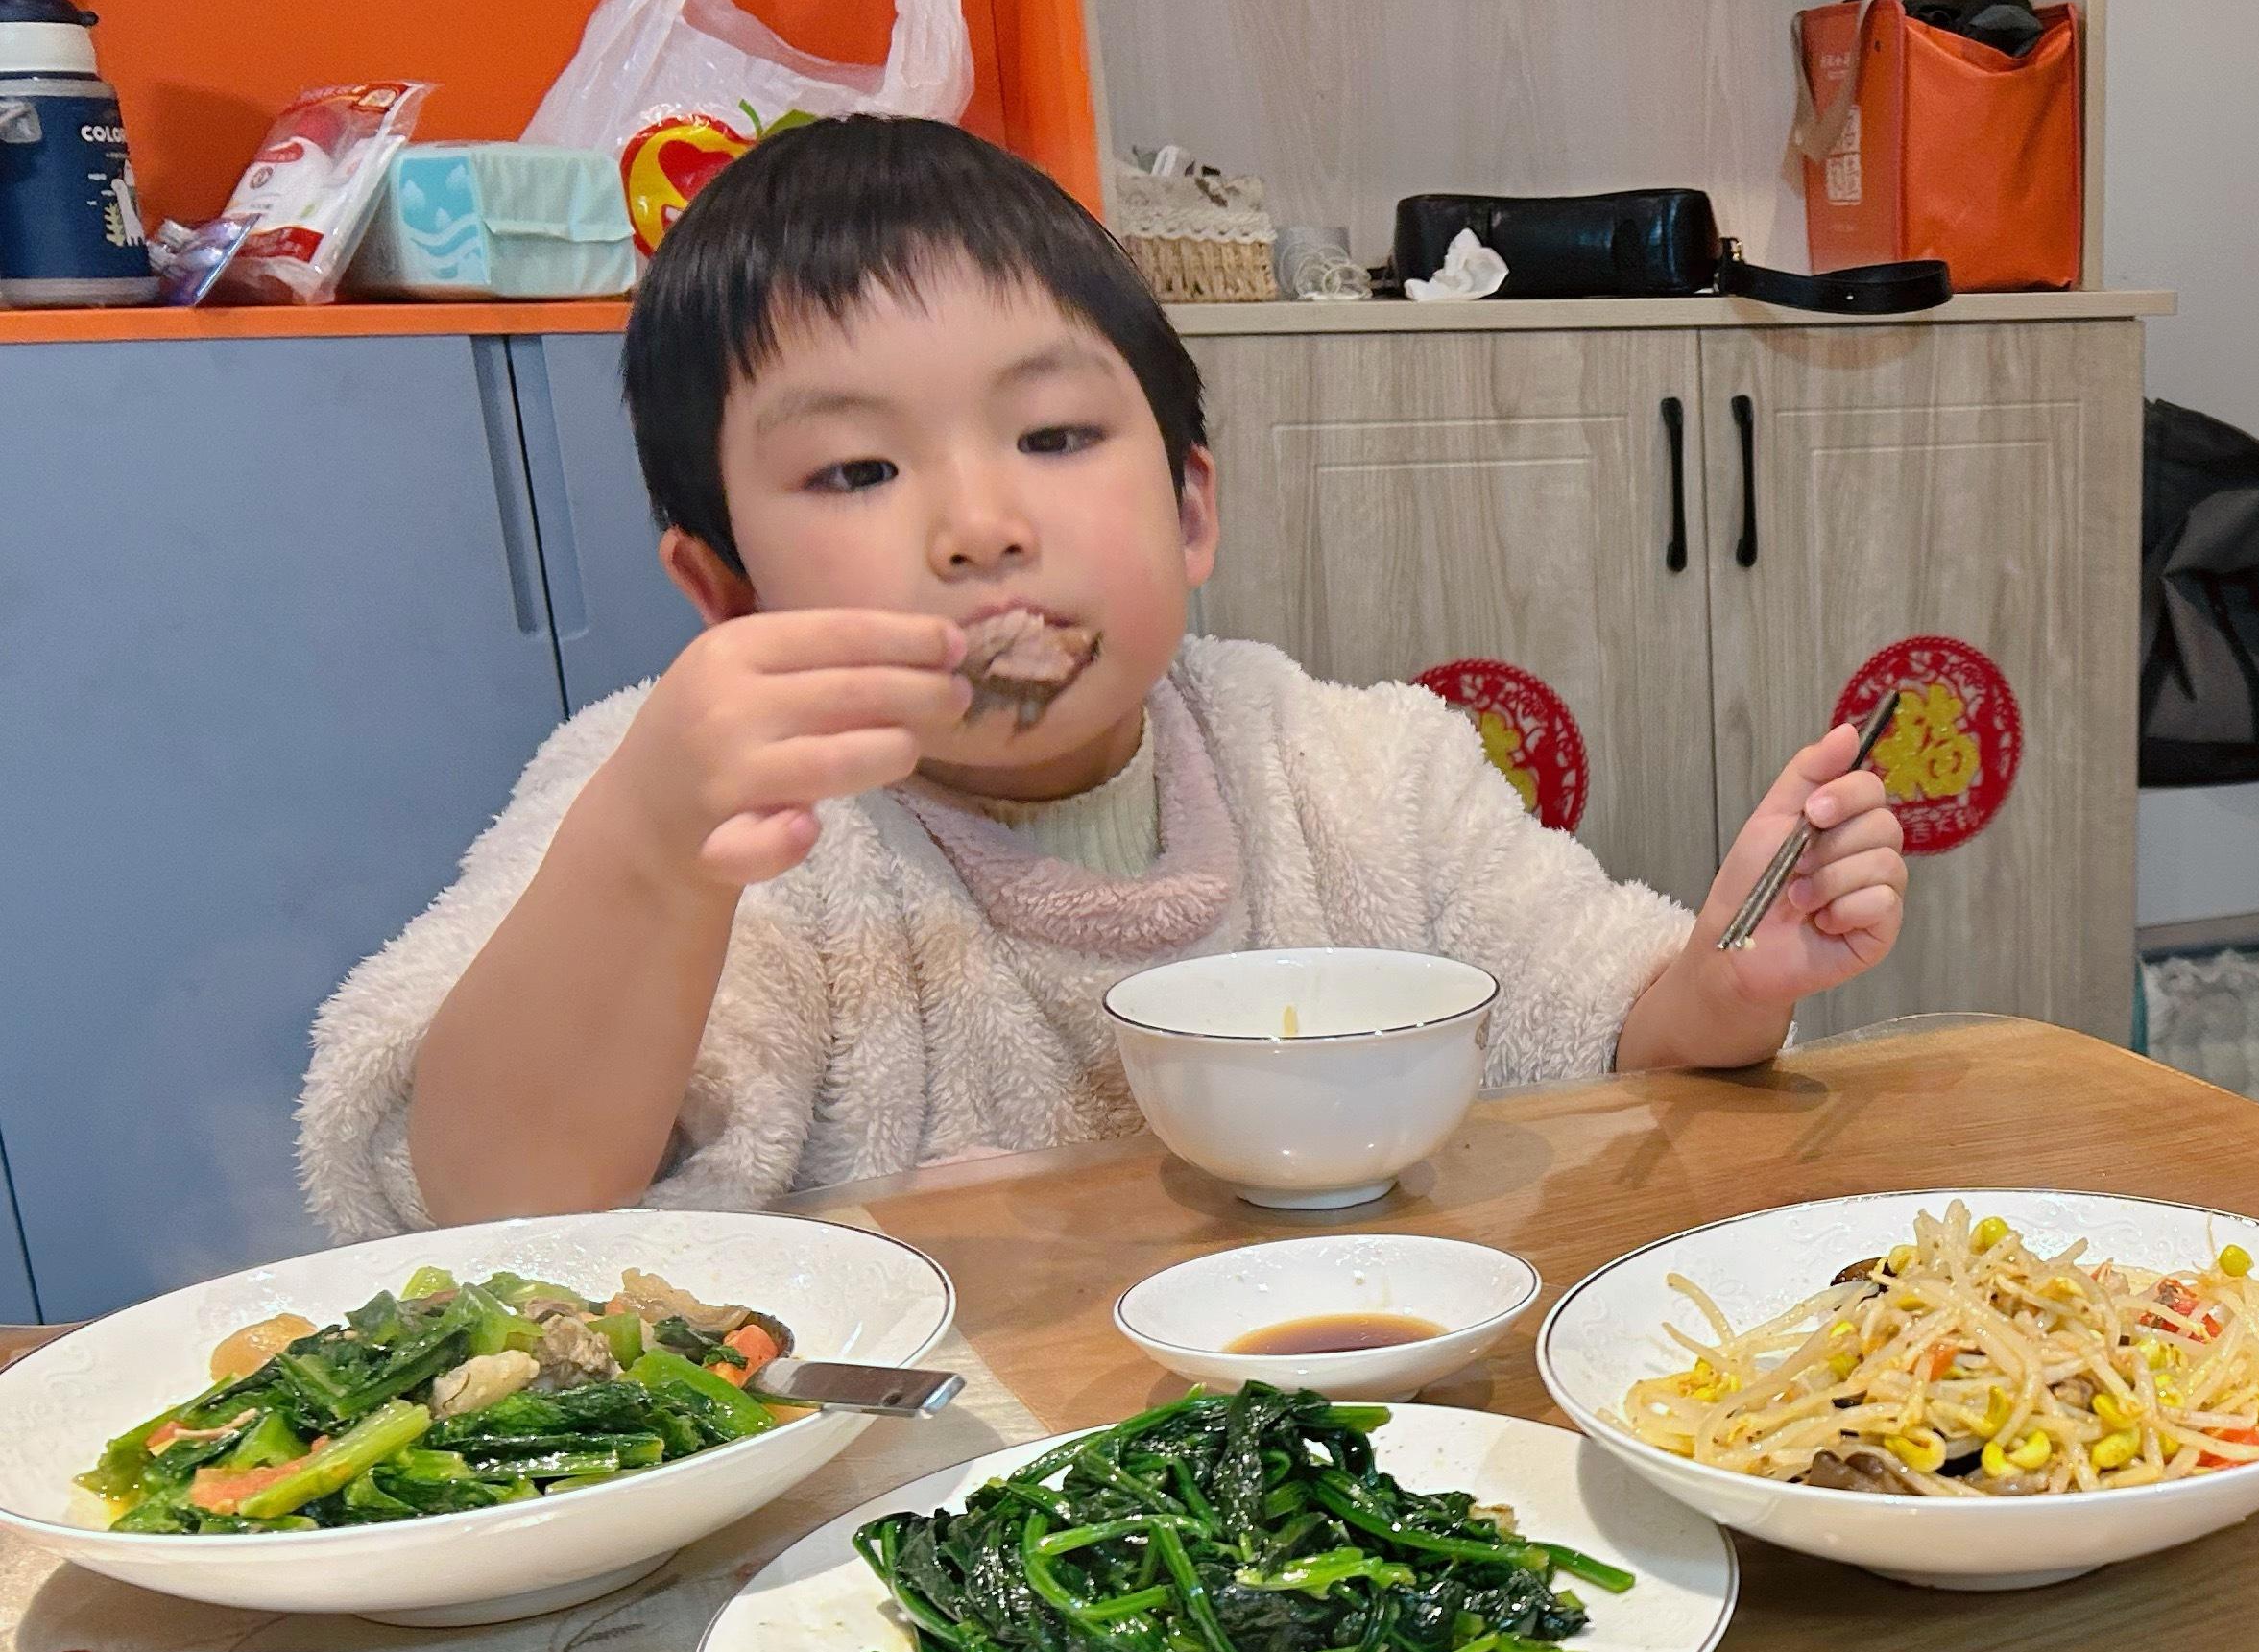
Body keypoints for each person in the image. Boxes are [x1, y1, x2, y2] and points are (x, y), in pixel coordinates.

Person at [300, 116, 1905, 1236]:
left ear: (1191, 505)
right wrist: (648, 850)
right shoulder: (691, 814)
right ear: (722, 592)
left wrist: (1727, 977)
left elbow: (1604, 1031)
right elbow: (491, 1213)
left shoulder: (1356, 766)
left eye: (1055, 436)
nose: (981, 527)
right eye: (857, 472)